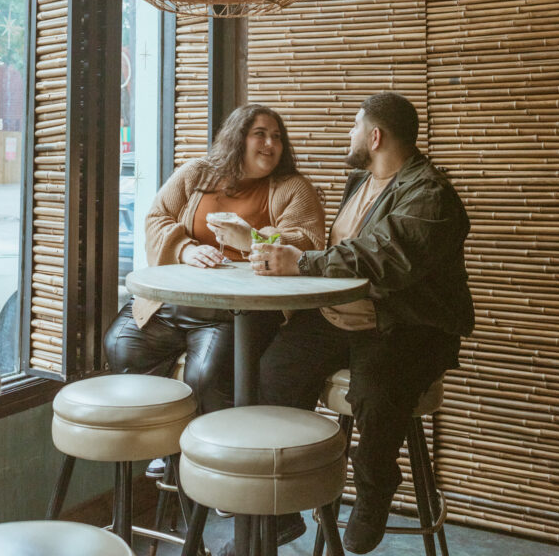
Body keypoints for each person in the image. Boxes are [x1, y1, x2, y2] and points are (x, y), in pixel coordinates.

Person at [244, 92, 474, 556]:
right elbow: (344, 251)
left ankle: (375, 486)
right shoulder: (360, 180)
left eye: (353, 127)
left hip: (404, 325)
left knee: (373, 392)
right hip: (337, 317)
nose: (348, 136)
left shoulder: (430, 194)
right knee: (275, 370)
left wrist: (301, 262)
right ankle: (285, 501)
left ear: (374, 136)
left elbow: (382, 256)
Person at [104, 103, 325, 458]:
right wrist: (185, 249)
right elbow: (157, 217)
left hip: (234, 311)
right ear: (238, 138)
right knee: (120, 344)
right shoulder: (197, 174)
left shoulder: (293, 188)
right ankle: (168, 450)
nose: (270, 143)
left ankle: (213, 459)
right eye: (260, 134)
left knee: (206, 376)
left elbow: (308, 245)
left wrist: (251, 240)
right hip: (176, 300)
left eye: (277, 137)